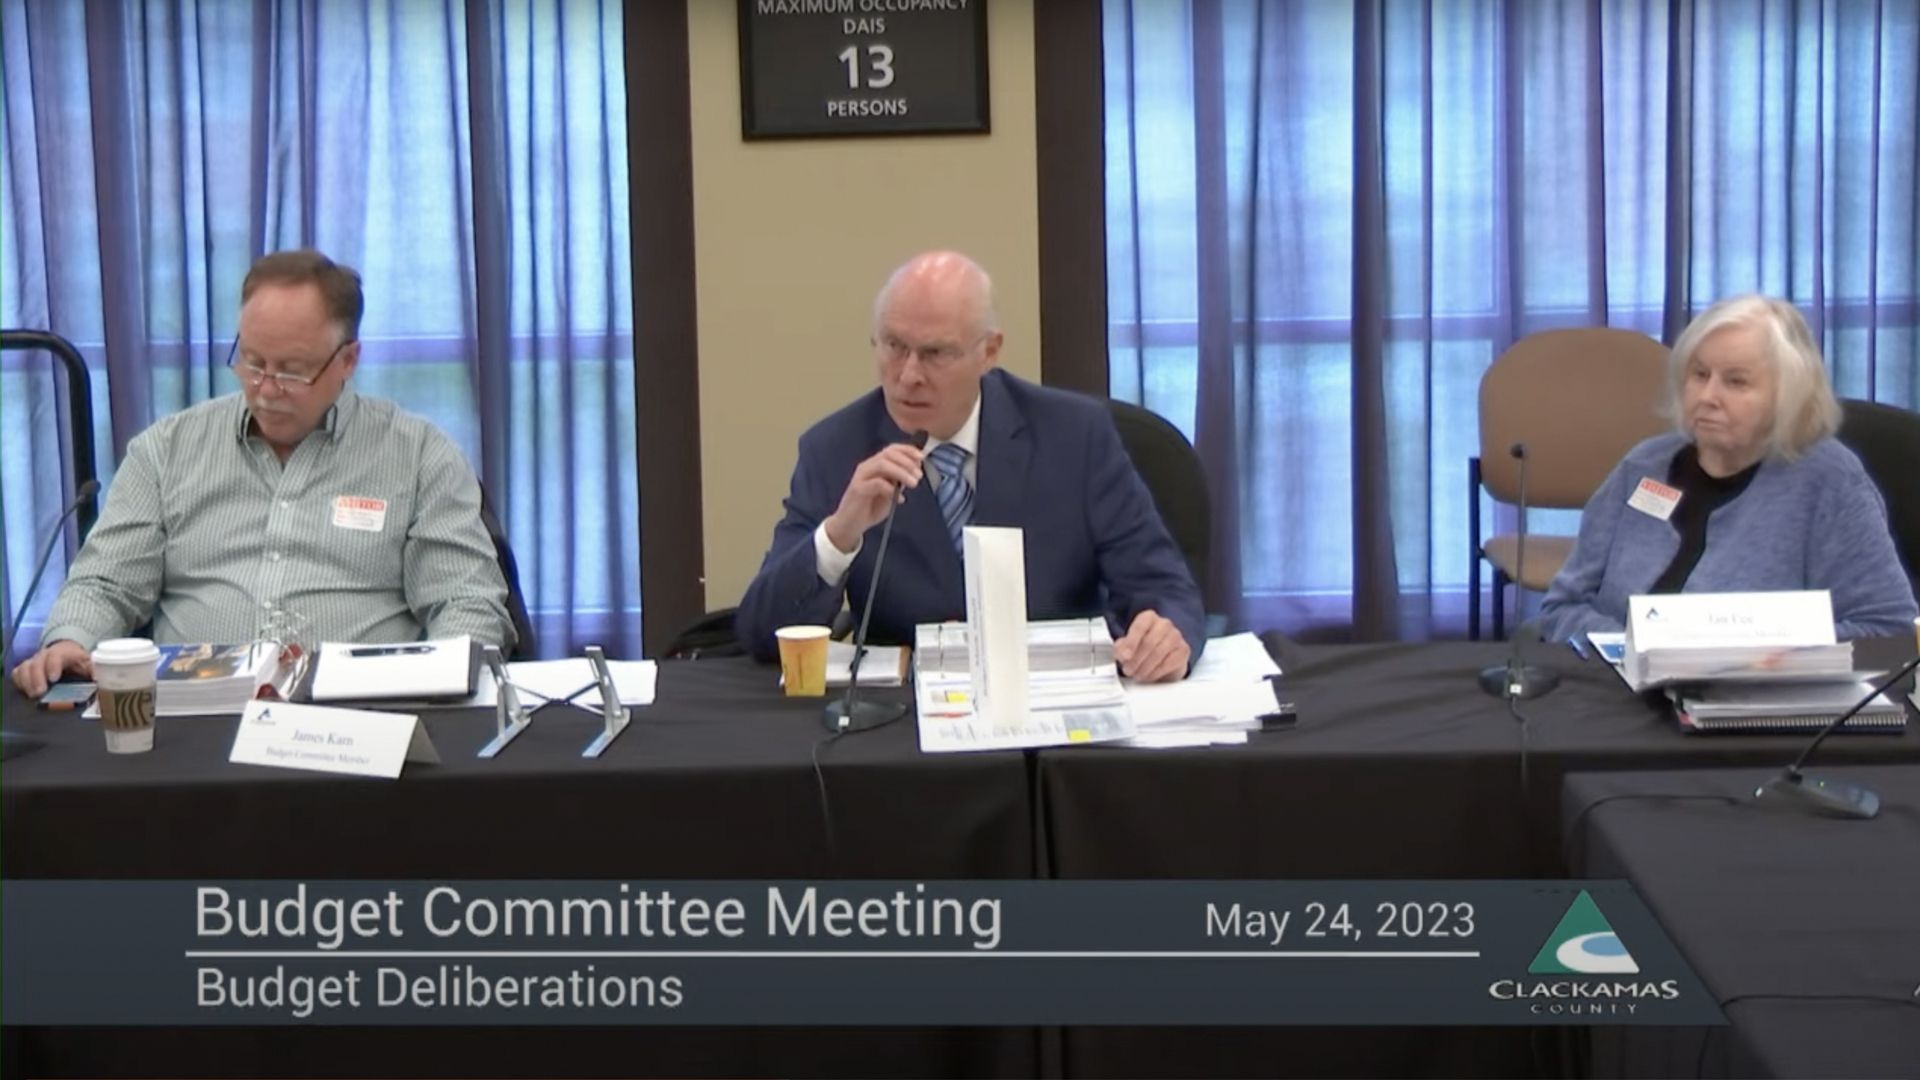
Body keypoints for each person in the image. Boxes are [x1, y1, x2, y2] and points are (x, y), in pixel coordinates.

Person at [11, 249, 513, 697]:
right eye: (252, 362)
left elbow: (465, 601)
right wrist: (71, 639)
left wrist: (444, 688)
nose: (266, 388)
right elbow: (106, 582)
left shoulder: (419, 455)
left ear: (348, 360)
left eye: (292, 370)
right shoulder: (167, 450)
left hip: (363, 718)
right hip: (193, 720)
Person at [735, 251, 1206, 682]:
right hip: (902, 725)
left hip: (1054, 702)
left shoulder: (1076, 436)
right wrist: (838, 535)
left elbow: (1162, 586)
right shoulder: (835, 448)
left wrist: (1167, 637)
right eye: (894, 346)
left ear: (990, 351)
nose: (909, 375)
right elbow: (761, 633)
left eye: (936, 353)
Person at [1538, 294, 1917, 642]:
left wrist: (1756, 655)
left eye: (1736, 382)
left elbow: (1889, 627)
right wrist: (1627, 649)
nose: (1707, 397)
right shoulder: (1643, 466)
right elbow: (1563, 607)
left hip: (1757, 704)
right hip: (1616, 693)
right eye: (1699, 375)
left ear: (1789, 393)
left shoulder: (1830, 481)